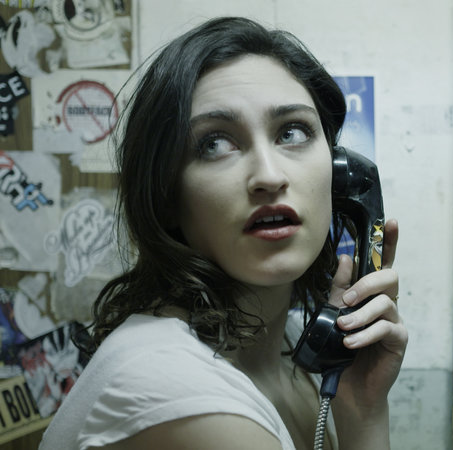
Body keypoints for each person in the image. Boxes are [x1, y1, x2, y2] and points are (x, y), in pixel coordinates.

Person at [40, 16, 406, 450]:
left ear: (340, 175)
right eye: (214, 143)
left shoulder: (290, 343)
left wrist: (363, 409)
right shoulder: (175, 391)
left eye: (292, 132)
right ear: (166, 195)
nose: (268, 176)